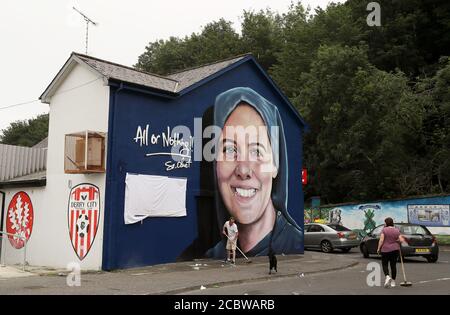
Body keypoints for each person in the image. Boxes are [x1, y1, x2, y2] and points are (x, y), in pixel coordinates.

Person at [206, 87, 303, 259]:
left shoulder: (294, 243)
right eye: (229, 149)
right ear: (216, 165)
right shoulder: (212, 255)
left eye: (257, 151)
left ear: (275, 164)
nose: (243, 170)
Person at [377, 217, 405, 288]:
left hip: (385, 250)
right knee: (393, 265)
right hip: (395, 250)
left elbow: (381, 240)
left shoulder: (384, 230)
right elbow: (401, 240)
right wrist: (397, 240)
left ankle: (387, 276)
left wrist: (378, 248)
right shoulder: (396, 230)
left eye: (385, 222)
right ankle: (393, 282)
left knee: (385, 264)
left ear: (386, 223)